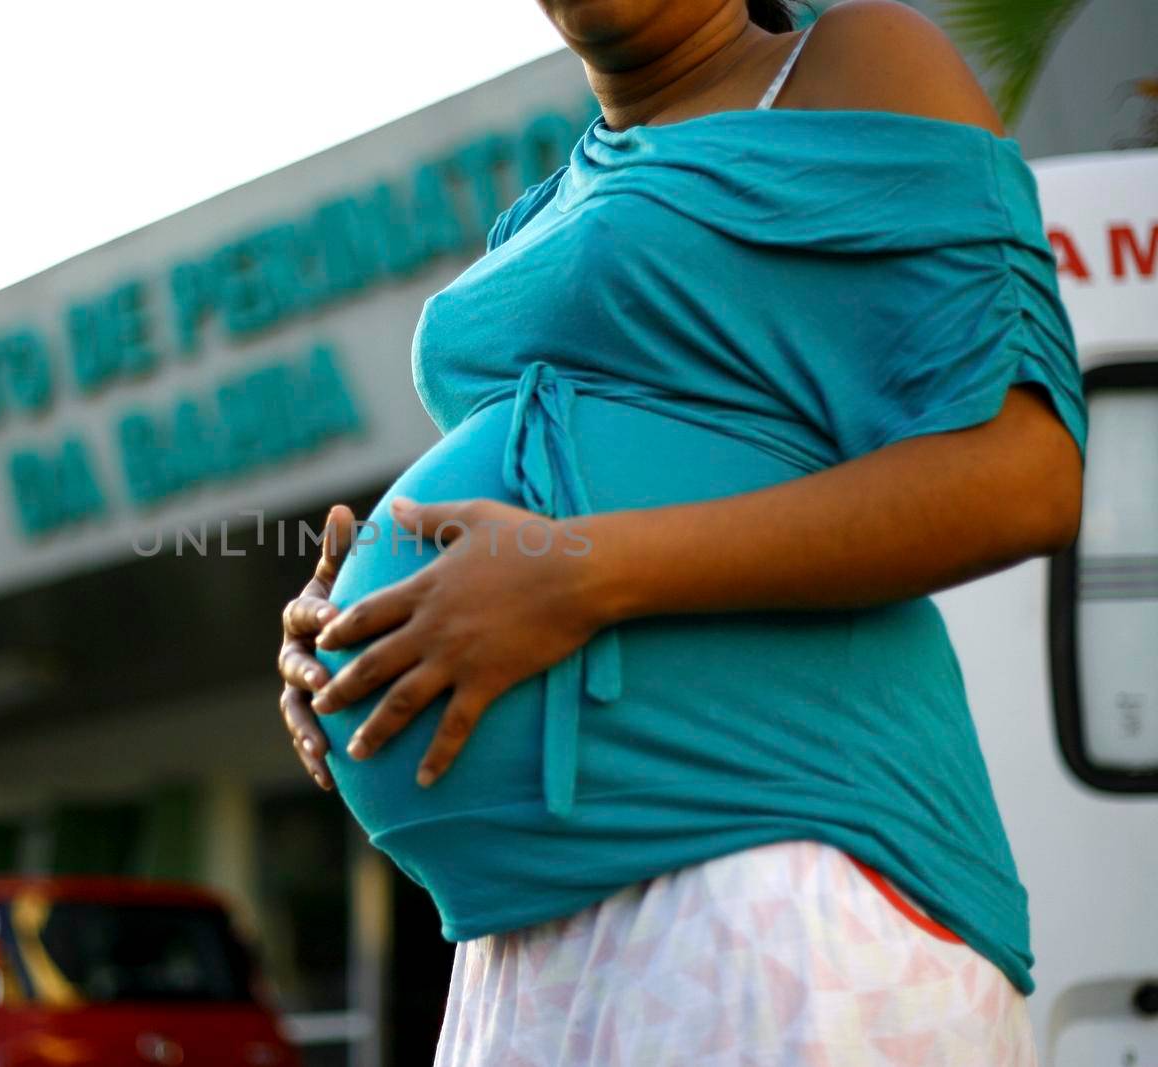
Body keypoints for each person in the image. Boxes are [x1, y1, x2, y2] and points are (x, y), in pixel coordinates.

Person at [275, 0, 1086, 1062]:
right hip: (532, 942)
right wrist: (355, 627)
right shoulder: (550, 202)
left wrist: (580, 575)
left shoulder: (845, 57)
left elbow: (1023, 477)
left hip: (777, 873)